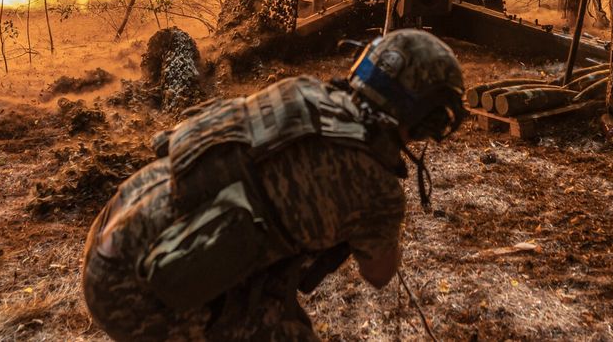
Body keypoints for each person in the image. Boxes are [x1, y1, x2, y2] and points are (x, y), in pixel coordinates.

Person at [81, 28, 466, 341]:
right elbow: (379, 274)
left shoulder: (305, 91)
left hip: (113, 229)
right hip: (137, 286)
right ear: (425, 116)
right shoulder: (377, 189)